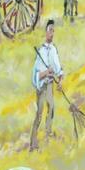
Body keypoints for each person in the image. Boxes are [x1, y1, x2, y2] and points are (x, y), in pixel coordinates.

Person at [30, 20, 63, 151]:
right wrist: (46, 72)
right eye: (50, 30)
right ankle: (33, 143)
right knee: (39, 113)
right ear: (45, 32)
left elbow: (58, 68)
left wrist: (60, 81)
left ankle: (48, 133)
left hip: (50, 86)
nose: (52, 33)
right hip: (42, 88)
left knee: (52, 108)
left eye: (53, 30)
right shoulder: (41, 51)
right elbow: (36, 76)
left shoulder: (54, 50)